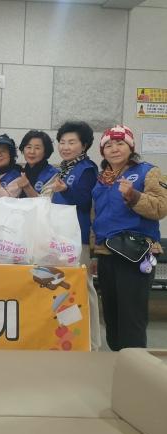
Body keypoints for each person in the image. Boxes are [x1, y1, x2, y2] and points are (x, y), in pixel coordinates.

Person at [92, 125, 167, 351]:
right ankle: (117, 359)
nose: (114, 149)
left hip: (136, 254)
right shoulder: (103, 178)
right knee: (112, 315)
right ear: (102, 151)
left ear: (131, 147)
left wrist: (134, 196)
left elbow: (161, 207)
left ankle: (134, 364)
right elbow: (97, 216)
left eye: (120, 143)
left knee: (131, 315)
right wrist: (94, 251)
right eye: (108, 145)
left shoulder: (148, 171)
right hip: (106, 253)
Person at [50, 121, 101, 350]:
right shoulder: (65, 168)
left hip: (78, 238)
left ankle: (92, 341)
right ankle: (72, 338)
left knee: (84, 287)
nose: (65, 147)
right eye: (62, 142)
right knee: (66, 289)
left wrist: (66, 190)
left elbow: (86, 200)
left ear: (84, 145)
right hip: (61, 238)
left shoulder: (87, 168)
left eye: (72, 142)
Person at [17, 130, 58, 198]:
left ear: (45, 151)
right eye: (29, 147)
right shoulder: (20, 171)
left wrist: (27, 187)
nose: (32, 152)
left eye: (37, 148)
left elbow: (47, 202)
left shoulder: (52, 174)